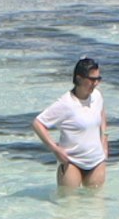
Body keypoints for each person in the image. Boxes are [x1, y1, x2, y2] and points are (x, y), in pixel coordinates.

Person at [33, 56, 109, 192]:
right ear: (79, 78)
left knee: (96, 206)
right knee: (68, 206)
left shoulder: (97, 96)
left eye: (98, 79)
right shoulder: (66, 103)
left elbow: (101, 113)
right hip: (72, 162)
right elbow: (38, 123)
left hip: (96, 160)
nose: (96, 83)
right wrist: (55, 149)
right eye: (92, 79)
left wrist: (104, 139)